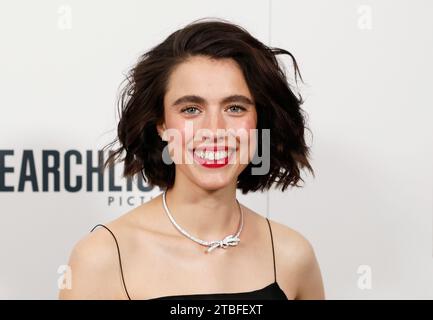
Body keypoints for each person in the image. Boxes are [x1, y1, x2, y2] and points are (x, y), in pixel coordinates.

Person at [59, 18, 325, 300]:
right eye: (191, 109)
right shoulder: (102, 258)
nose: (214, 130)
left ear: (260, 123)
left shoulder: (292, 255)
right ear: (161, 124)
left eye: (235, 108)